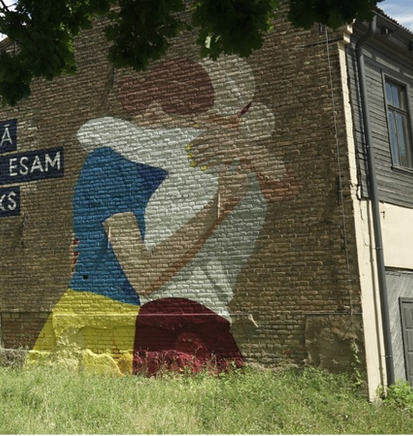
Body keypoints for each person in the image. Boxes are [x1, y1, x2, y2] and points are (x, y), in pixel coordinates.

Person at [30, 56, 298, 375]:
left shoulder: (174, 166)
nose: (198, 125)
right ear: (156, 110)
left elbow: (283, 184)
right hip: (102, 325)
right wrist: (220, 205)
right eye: (191, 110)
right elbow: (142, 274)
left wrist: (247, 150)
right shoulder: (108, 165)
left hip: (149, 322)